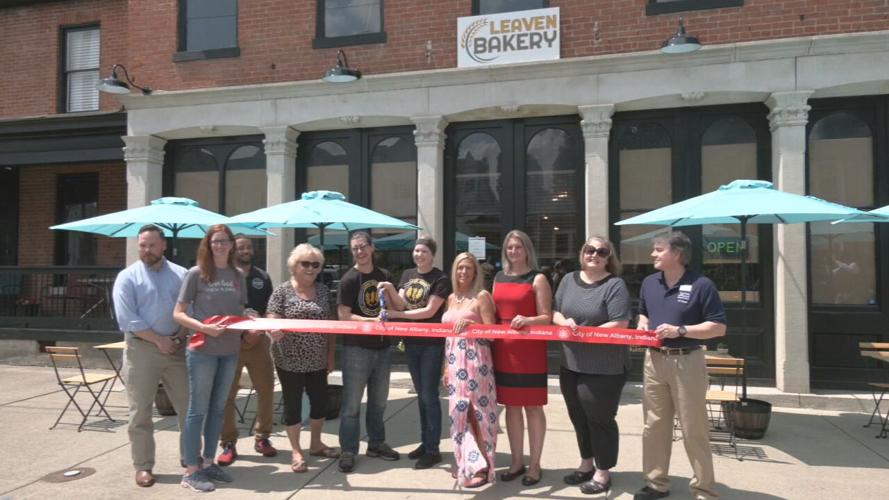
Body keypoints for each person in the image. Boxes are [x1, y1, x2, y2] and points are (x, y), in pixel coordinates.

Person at [634, 231, 726, 500]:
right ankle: (655, 484)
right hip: (654, 361)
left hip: (688, 361)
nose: (653, 254)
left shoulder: (702, 285)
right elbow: (644, 312)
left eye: (659, 249)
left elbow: (718, 327)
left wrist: (681, 330)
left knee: (693, 428)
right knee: (654, 426)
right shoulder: (649, 283)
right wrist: (642, 323)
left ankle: (703, 490)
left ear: (677, 253)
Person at [173, 224, 253, 492]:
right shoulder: (196, 274)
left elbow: (239, 310)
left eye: (224, 241)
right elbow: (179, 313)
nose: (220, 245)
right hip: (202, 352)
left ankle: (208, 462)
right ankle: (191, 471)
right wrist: (204, 327)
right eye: (215, 241)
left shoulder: (238, 275)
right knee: (198, 410)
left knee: (219, 410)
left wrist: (250, 317)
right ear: (208, 245)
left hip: (230, 351)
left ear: (231, 244)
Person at [552, 237, 632, 495]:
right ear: (581, 253)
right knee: (578, 416)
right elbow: (555, 312)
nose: (594, 255)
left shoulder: (614, 284)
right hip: (571, 362)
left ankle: (603, 471)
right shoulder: (568, 280)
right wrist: (564, 322)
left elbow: (620, 323)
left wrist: (586, 332)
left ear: (609, 258)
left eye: (602, 252)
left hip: (604, 366)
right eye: (589, 250)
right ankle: (586, 463)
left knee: (600, 419)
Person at [112, 224, 189, 488]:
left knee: (188, 410)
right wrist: (158, 340)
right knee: (140, 412)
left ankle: (190, 460)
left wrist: (177, 337)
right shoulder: (127, 277)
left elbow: (190, 309)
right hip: (142, 350)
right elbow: (126, 318)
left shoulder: (181, 274)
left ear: (163, 245)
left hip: (177, 349)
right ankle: (143, 466)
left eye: (152, 245)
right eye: (142, 245)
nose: (146, 250)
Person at [379, 236, 451, 469]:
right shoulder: (408, 275)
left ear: (432, 255)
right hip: (411, 343)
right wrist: (390, 289)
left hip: (431, 344)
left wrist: (397, 315)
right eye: (416, 251)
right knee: (421, 396)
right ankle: (425, 441)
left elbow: (429, 311)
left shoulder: (441, 279)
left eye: (424, 252)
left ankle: (433, 449)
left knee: (429, 396)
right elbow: (400, 304)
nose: (419, 255)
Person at [266, 243, 339, 473]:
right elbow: (272, 318)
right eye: (305, 263)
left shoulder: (325, 291)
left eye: (315, 264)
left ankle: (316, 444)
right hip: (289, 360)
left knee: (320, 403)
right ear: (294, 266)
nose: (310, 268)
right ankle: (296, 451)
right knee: (293, 406)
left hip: (317, 360)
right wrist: (273, 330)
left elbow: (332, 326)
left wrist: (330, 355)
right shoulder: (282, 291)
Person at [492, 229, 553, 486]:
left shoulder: (538, 279)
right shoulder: (497, 277)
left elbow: (547, 317)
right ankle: (517, 462)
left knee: (533, 407)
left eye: (518, 247)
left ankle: (535, 465)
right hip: (503, 350)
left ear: (527, 249)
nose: (513, 251)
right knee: (511, 407)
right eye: (509, 247)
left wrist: (528, 320)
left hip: (529, 351)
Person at [336, 231, 400, 473]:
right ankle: (348, 450)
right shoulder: (349, 279)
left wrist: (392, 295)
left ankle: (376, 443)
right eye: (355, 248)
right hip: (356, 350)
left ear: (373, 248)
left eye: (363, 247)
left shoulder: (383, 276)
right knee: (351, 405)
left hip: (383, 349)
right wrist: (369, 321)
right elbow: (343, 314)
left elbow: (396, 307)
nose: (359, 252)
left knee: (379, 402)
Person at [217, 236, 277, 466]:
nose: (245, 250)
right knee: (227, 394)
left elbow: (271, 308)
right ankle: (229, 443)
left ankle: (263, 438)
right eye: (240, 247)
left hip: (259, 340)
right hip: (231, 342)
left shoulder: (262, 276)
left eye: (248, 247)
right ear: (233, 250)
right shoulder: (224, 275)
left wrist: (261, 327)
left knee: (266, 390)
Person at [442, 252, 498, 488]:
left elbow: (493, 334)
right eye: (459, 268)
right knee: (458, 414)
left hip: (477, 363)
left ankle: (484, 466)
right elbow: (447, 336)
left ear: (475, 272)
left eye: (468, 268)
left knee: (478, 414)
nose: (463, 272)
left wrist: (474, 326)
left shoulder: (482, 297)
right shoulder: (451, 298)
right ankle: (466, 461)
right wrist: (445, 367)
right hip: (454, 363)